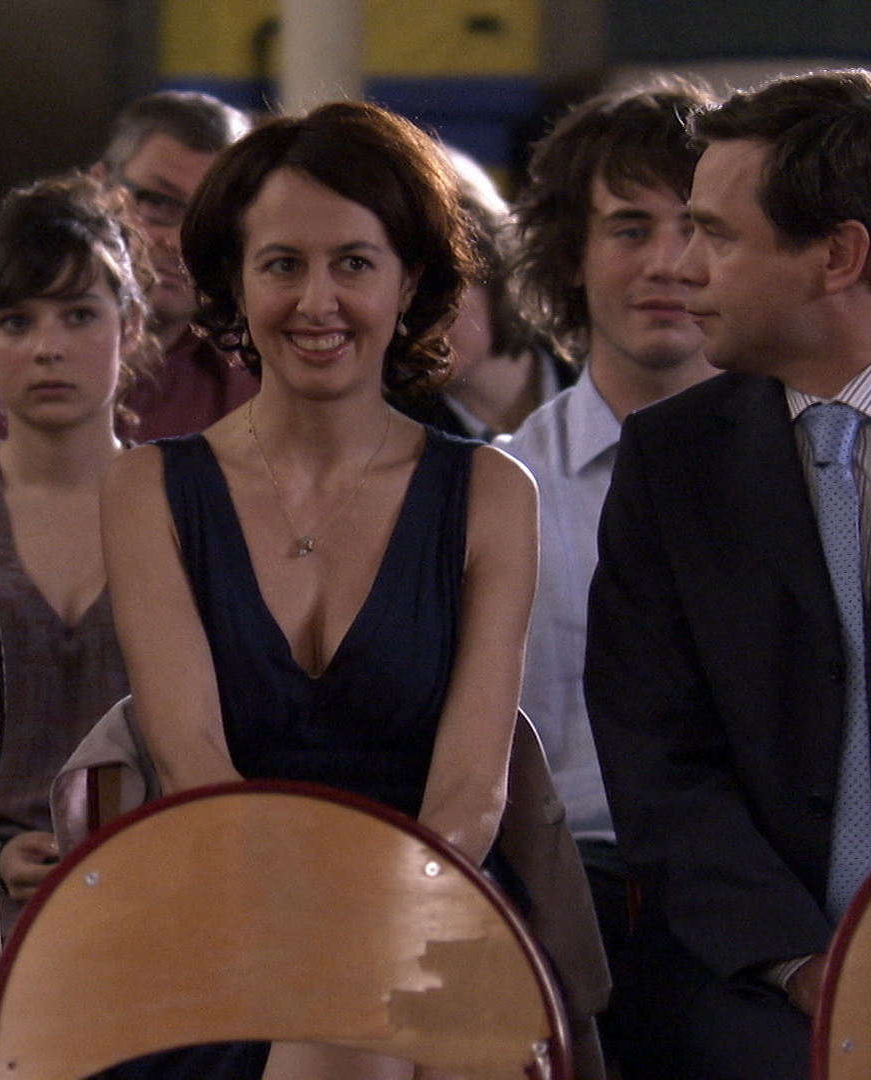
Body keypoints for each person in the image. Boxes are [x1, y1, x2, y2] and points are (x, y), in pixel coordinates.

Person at [101, 101, 538, 1080]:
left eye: (353, 263)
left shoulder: (492, 494)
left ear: (409, 280)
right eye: (282, 264)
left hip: (433, 905)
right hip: (218, 906)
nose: (316, 301)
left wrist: (369, 930)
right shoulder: (146, 489)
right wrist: (308, 944)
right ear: (234, 280)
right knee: (334, 1036)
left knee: (354, 1033)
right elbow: (191, 762)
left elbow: (471, 794)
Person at [584, 69, 871, 1080]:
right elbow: (657, 762)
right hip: (759, 974)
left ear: (837, 256)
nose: (681, 267)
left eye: (716, 235)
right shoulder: (672, 463)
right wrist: (806, 968)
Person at [489, 79, 718, 1068]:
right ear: (570, 257)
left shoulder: (816, 477)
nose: (668, 262)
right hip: (553, 902)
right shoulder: (501, 488)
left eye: (698, 227)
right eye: (630, 228)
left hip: (755, 916)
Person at [0, 172, 146, 934]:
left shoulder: (192, 512)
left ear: (129, 326)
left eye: (79, 315)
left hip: (160, 881)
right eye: (15, 321)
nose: (48, 349)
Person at [0, 90, 256, 470]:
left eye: (212, 215)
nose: (180, 241)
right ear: (100, 185)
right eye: (157, 202)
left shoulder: (253, 374)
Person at [393, 147, 573, 439]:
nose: (409, 319)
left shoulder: (601, 371)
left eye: (434, 285)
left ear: (495, 270)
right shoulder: (397, 437)